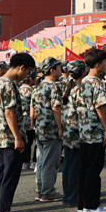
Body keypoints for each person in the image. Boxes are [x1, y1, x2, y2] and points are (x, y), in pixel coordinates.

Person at [0, 52, 35, 212]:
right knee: (9, 176)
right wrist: (17, 137)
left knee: (0, 176)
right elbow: (9, 112)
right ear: (21, 67)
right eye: (28, 71)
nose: (27, 75)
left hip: (1, 137)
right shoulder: (9, 85)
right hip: (10, 138)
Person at [76, 48, 106, 212]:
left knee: (84, 168)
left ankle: (82, 204)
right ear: (98, 64)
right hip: (95, 130)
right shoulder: (97, 82)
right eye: (105, 62)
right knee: (94, 169)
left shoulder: (83, 81)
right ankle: (91, 205)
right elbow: (99, 107)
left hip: (84, 130)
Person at [31, 57, 64, 202]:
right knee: (50, 162)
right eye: (58, 67)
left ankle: (40, 190)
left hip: (40, 128)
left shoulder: (38, 86)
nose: (60, 70)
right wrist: (60, 127)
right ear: (52, 70)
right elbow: (56, 108)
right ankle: (48, 192)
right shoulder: (53, 86)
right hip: (51, 128)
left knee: (41, 161)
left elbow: (32, 108)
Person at [61, 60, 87, 209]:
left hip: (67, 131)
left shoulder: (66, 86)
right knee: (75, 167)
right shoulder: (80, 89)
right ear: (83, 72)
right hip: (77, 132)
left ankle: (68, 196)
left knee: (68, 166)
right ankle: (73, 198)